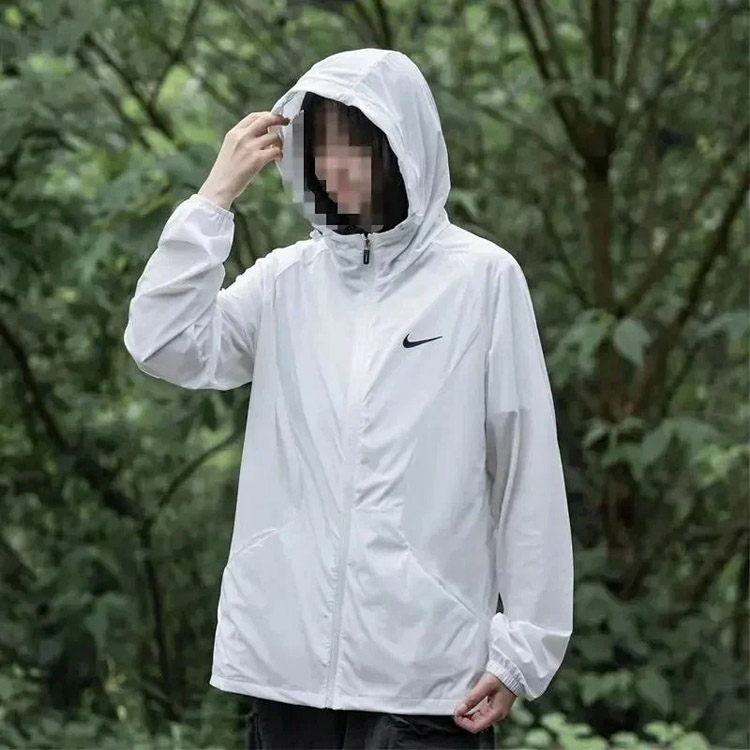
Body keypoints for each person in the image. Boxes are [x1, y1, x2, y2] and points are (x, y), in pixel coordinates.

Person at [123, 48, 574, 749]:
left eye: (354, 148)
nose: (333, 168)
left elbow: (525, 469)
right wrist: (213, 200)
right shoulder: (285, 282)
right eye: (320, 148)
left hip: (428, 677)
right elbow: (162, 343)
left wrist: (523, 651)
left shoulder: (482, 279)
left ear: (400, 149)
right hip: (287, 673)